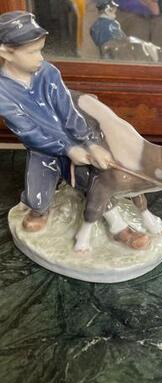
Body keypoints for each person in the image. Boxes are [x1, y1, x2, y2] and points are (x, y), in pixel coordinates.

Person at [0, 11, 114, 232]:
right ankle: (40, 209)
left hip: (73, 137)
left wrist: (89, 143)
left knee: (94, 179)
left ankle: (112, 217)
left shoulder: (48, 73)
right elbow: (28, 131)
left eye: (41, 50)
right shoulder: (2, 92)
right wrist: (67, 149)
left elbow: (68, 111)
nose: (40, 58)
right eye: (32, 52)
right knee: (37, 198)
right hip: (42, 149)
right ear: (5, 52)